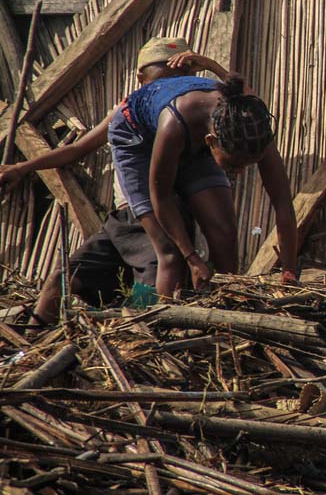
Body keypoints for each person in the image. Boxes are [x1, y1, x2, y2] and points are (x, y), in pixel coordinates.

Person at [0, 37, 231, 324]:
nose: (166, 89)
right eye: (160, 80)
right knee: (61, 277)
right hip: (122, 221)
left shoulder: (191, 118)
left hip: (160, 223)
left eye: (178, 80)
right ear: (140, 79)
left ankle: (150, 337)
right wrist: (23, 167)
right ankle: (32, 346)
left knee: (156, 278)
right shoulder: (128, 112)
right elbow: (76, 149)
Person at [108, 66, 298, 297]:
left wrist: (288, 270)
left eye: (247, 165)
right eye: (232, 165)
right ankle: (168, 321)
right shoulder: (174, 125)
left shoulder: (253, 132)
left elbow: (284, 205)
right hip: (137, 137)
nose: (239, 172)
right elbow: (161, 197)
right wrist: (193, 258)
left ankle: (227, 310)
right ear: (211, 142)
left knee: (224, 235)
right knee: (169, 252)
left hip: (193, 130)